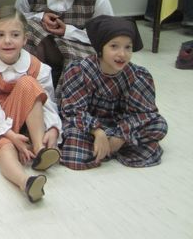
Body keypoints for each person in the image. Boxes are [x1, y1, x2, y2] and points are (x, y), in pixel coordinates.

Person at [0, 6, 62, 203]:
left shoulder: (37, 66)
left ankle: (40, 149)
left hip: (29, 122)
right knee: (4, 147)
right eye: (0, 35)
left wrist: (53, 128)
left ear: (25, 39)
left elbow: (48, 103)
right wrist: (10, 134)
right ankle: (25, 182)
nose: (8, 41)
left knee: (29, 83)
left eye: (15, 35)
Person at [59, 15, 168, 170]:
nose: (122, 54)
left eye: (128, 47)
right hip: (88, 128)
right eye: (114, 46)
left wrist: (121, 136)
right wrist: (98, 132)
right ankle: (107, 146)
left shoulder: (138, 75)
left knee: (159, 125)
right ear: (101, 48)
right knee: (73, 152)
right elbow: (73, 110)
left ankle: (109, 148)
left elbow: (145, 113)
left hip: (120, 126)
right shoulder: (79, 70)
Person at [14, 0, 114, 91]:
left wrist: (68, 31)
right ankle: (31, 87)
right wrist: (40, 17)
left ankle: (71, 93)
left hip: (80, 52)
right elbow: (13, 24)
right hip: (42, 51)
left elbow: (109, 37)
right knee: (30, 26)